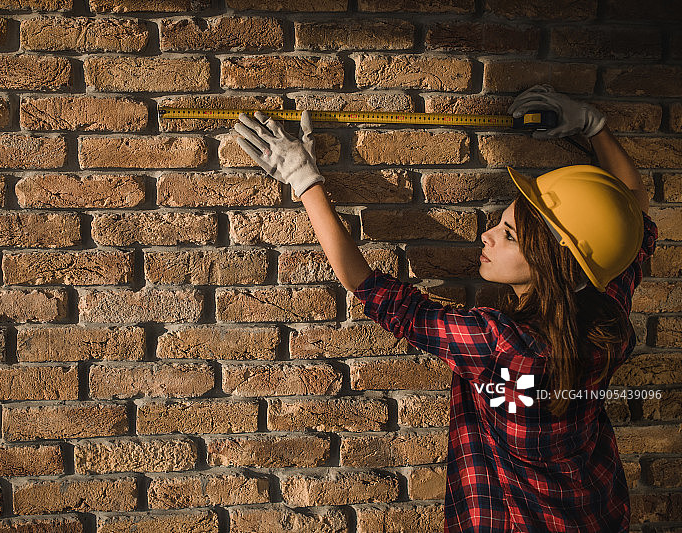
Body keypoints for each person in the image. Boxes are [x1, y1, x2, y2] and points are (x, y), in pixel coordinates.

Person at [232, 85, 659, 532]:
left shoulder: (500, 344)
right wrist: (595, 129)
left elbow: (372, 289)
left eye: (509, 235)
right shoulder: (602, 311)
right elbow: (634, 218)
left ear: (552, 265)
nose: (487, 236)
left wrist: (304, 180)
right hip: (595, 514)